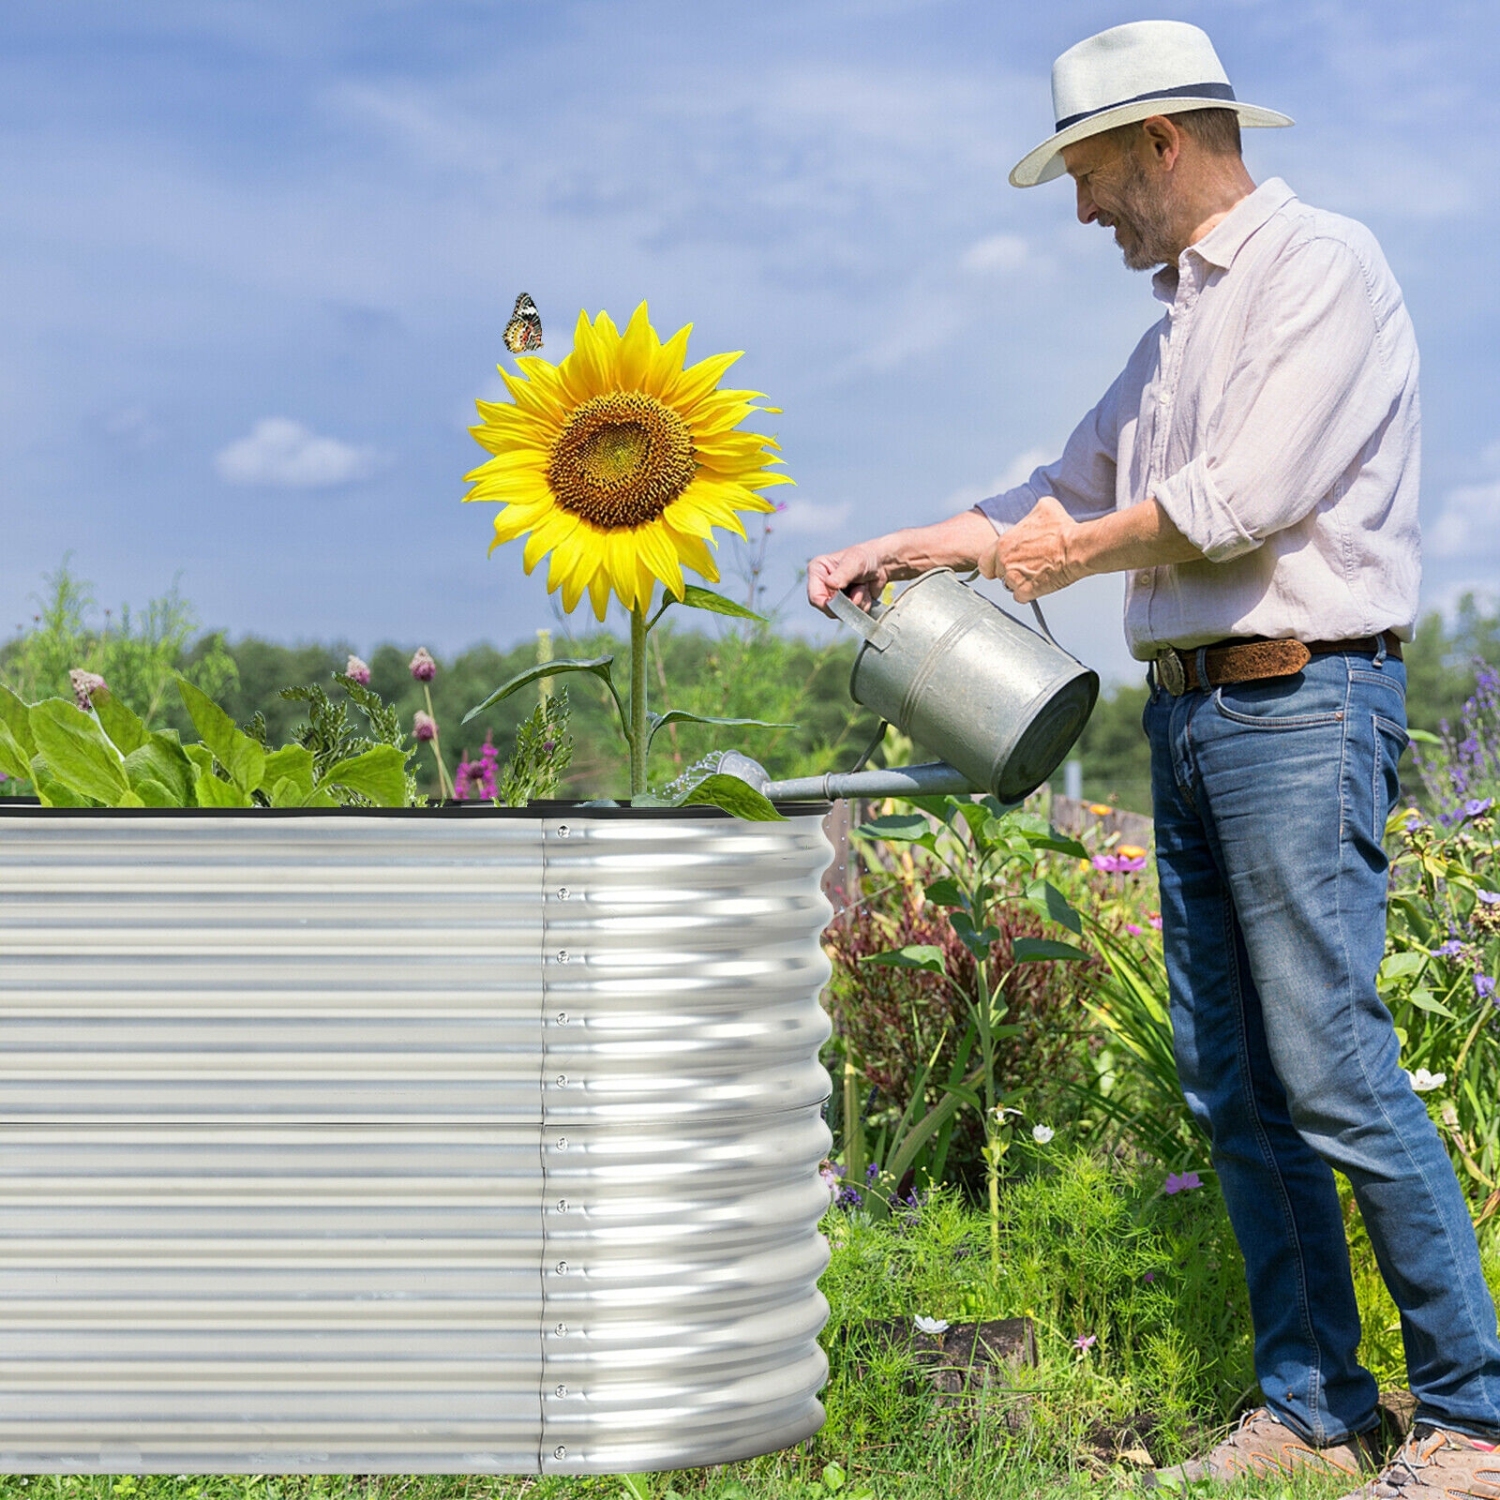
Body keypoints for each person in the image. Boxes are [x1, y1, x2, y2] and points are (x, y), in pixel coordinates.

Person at [806, 20, 1500, 1498]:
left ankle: (1477, 1421)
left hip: (1303, 706)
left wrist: (1072, 551)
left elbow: (1240, 499)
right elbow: (1063, 491)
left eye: (1090, 173)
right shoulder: (1177, 326)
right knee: (1235, 1079)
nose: (1080, 209)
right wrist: (920, 543)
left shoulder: (1326, 271)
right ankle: (1316, 1406)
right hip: (1191, 713)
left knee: (1330, 1061)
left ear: (1163, 143)